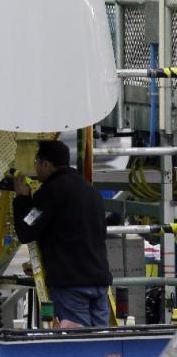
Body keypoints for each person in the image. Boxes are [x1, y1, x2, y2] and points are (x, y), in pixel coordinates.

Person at [12, 140, 113, 327]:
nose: (35, 167)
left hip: (71, 285)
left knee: (77, 344)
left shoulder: (51, 193)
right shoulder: (91, 191)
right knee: (100, 344)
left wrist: (22, 198)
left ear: (46, 164)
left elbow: (26, 230)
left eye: (36, 161)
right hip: (99, 282)